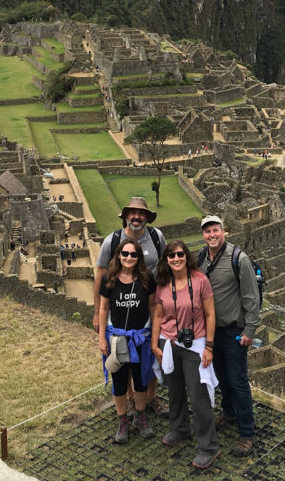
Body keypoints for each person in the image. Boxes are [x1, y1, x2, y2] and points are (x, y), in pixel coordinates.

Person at [151, 240, 220, 469]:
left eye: (180, 254)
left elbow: (210, 315)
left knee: (199, 394)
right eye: (171, 255)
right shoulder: (163, 284)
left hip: (195, 344)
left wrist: (209, 346)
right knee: (174, 390)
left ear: (186, 256)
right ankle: (179, 427)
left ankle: (208, 447)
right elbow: (158, 317)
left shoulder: (200, 281)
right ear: (166, 259)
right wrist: (155, 345)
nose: (176, 258)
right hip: (170, 343)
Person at [94, 197, 167, 412]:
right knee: (121, 358)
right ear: (125, 216)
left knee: (148, 358)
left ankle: (150, 398)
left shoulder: (156, 237)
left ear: (146, 217)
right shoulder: (113, 241)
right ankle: (129, 400)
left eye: (141, 213)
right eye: (132, 213)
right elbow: (100, 276)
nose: (136, 217)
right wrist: (96, 313)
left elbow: (165, 267)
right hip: (120, 310)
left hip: (149, 309)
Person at [197, 214, 260, 457]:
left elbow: (251, 297)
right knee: (221, 376)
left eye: (215, 230)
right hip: (211, 331)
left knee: (238, 381)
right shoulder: (202, 256)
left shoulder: (239, 259)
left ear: (224, 231)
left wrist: (250, 331)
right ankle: (229, 412)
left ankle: (246, 433)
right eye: (207, 231)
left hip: (234, 331)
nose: (211, 235)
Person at [97, 237, 157, 443]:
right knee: (120, 381)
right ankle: (123, 420)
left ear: (139, 257)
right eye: (125, 254)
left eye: (133, 254)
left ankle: (140, 416)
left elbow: (152, 308)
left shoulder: (147, 279)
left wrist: (153, 337)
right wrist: (101, 338)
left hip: (140, 337)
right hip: (118, 338)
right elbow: (103, 308)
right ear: (119, 256)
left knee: (141, 381)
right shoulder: (109, 279)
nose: (129, 257)